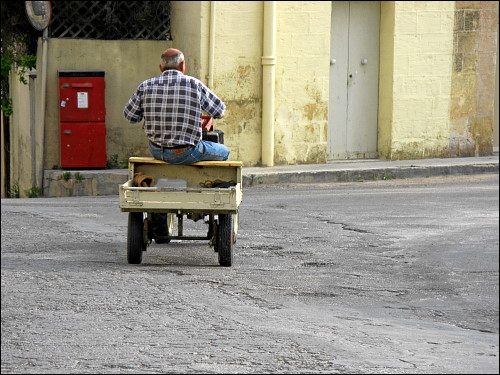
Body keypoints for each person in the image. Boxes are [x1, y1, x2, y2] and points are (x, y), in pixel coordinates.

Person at [124, 48, 230, 165]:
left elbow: (130, 117)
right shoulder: (193, 84)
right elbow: (220, 111)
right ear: (182, 65)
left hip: (157, 150)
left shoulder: (145, 86)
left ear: (161, 67)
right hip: (186, 152)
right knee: (224, 151)